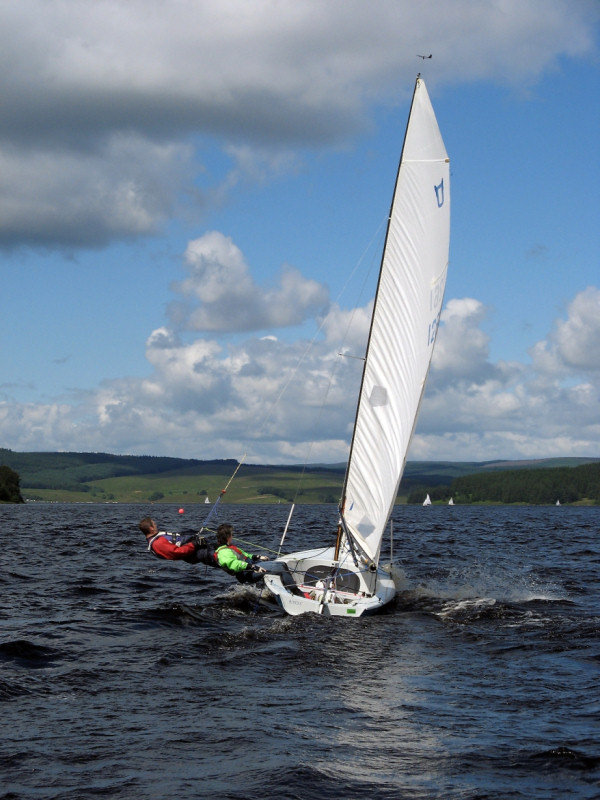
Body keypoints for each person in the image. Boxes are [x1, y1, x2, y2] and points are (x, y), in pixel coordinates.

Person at [139, 517, 216, 566]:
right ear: (151, 528)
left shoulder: (157, 538)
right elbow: (177, 552)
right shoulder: (157, 543)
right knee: (219, 557)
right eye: (154, 524)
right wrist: (194, 544)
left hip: (198, 548)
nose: (156, 525)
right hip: (197, 553)